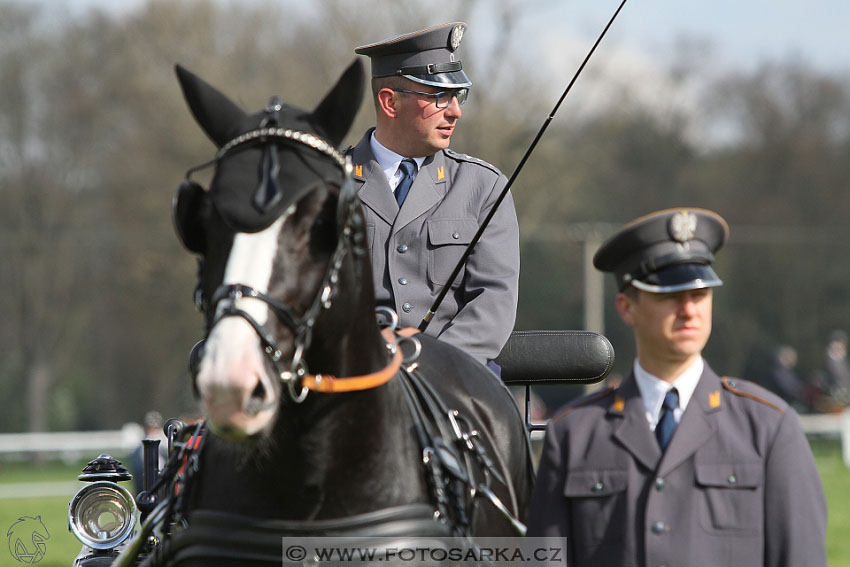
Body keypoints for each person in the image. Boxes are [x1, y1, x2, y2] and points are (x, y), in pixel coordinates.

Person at [527, 208, 827, 566]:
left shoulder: (770, 428)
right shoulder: (574, 434)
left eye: (700, 294)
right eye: (669, 295)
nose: (689, 310)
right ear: (627, 308)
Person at [350, 22, 520, 366]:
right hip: (351, 377)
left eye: (458, 96)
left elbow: (492, 304)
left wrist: (429, 362)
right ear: (390, 102)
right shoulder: (328, 184)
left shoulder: (483, 187)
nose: (455, 110)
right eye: (439, 96)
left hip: (453, 379)